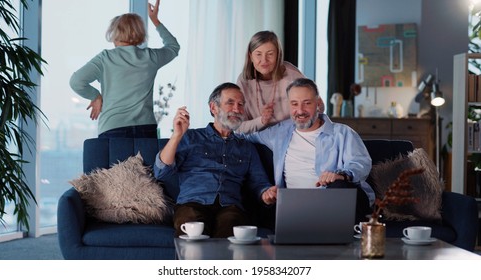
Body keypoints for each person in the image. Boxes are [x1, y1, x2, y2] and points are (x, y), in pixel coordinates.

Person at [153, 82, 278, 238]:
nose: (236, 109)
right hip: (192, 204)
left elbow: (260, 183)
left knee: (231, 227)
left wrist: (266, 193)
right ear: (213, 108)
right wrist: (177, 135)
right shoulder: (191, 137)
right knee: (192, 226)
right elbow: (161, 172)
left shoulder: (247, 148)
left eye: (240, 104)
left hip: (230, 207)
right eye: (230, 103)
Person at [242, 78, 374, 222]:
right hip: (293, 207)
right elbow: (243, 137)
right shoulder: (279, 132)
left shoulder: (342, 133)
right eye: (294, 104)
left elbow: (361, 162)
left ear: (318, 104)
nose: (300, 111)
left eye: (307, 103)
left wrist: (341, 175)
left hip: (334, 202)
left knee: (340, 186)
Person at [69, 0, 179, 138]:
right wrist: (155, 20)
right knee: (147, 161)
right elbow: (173, 47)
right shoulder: (150, 57)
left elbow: (76, 81)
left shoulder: (105, 59)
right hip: (145, 129)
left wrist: (95, 96)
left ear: (115, 33)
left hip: (113, 127)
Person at [236, 30, 324, 133]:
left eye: (270, 54)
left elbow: (318, 108)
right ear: (251, 56)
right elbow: (238, 128)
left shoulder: (292, 76)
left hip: (290, 138)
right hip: (255, 141)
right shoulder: (243, 81)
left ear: (278, 55)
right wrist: (261, 120)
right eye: (258, 54)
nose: (264, 60)